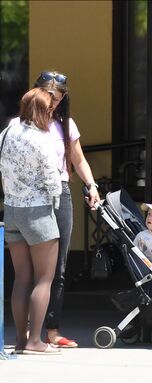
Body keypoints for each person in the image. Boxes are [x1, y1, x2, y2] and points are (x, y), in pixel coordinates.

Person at [22, 71, 100, 348]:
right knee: (31, 269)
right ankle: (28, 332)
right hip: (31, 199)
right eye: (47, 94)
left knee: (59, 266)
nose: (52, 101)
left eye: (57, 96)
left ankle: (52, 330)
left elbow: (78, 161)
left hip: (61, 194)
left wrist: (91, 186)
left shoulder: (65, 125)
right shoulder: (22, 127)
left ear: (64, 97)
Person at [0, 88, 62, 354]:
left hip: (12, 209)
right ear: (44, 111)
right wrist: (56, 197)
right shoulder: (42, 139)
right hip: (38, 212)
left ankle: (21, 339)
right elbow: (52, 178)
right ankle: (36, 341)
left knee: (21, 278)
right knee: (44, 279)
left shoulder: (7, 133)